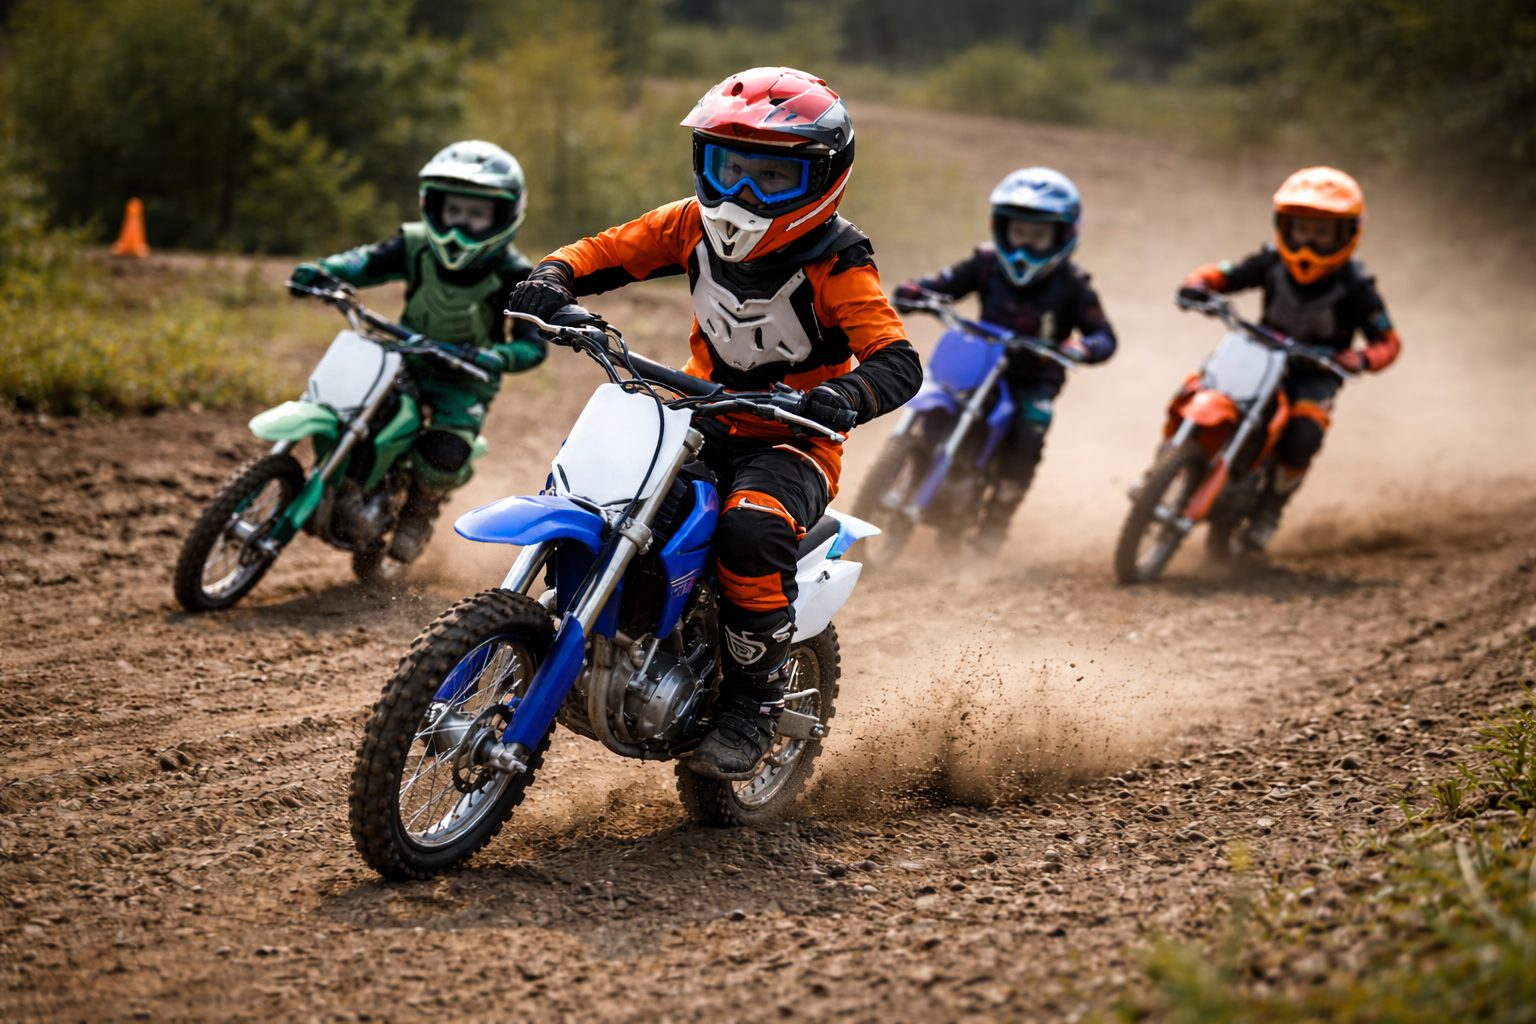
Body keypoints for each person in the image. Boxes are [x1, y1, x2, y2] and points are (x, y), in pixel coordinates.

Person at [506, 67, 921, 781]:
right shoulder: (690, 224)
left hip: (794, 441)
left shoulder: (837, 263)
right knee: (611, 497)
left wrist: (845, 398)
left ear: (823, 180)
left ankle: (753, 704)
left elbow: (898, 359)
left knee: (751, 529)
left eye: (771, 177)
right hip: (699, 415)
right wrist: (554, 276)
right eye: (729, 169)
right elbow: (606, 250)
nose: (742, 196)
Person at [288, 141, 547, 563]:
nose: (460, 227)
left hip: (464, 378)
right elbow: (365, 262)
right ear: (433, 205)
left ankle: (420, 510)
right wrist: (326, 271)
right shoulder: (414, 243)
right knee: (357, 413)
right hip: (402, 359)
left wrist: (495, 357)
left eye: (477, 215)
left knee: (443, 454)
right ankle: (351, 483)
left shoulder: (516, 273)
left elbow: (532, 343)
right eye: (454, 211)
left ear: (504, 215)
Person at [894, 167, 1117, 555]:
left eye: (1037, 236)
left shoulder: (1074, 284)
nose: (1024, 247)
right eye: (1018, 232)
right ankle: (914, 480)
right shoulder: (985, 263)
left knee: (1031, 429)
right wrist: (917, 291)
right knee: (932, 404)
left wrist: (1081, 349)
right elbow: (944, 285)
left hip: (1032, 378)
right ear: (1000, 228)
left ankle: (995, 524)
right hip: (977, 366)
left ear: (1062, 237)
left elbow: (1104, 335)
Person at [1178, 166, 1402, 551]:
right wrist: (1198, 284)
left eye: (1321, 233)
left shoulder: (1355, 285)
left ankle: (1270, 509)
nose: (1308, 244)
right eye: (1301, 230)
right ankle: (1176, 469)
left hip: (1315, 372)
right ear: (1284, 226)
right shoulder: (1271, 261)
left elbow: (1388, 340)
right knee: (1200, 388)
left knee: (1304, 434)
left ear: (1346, 235)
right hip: (1259, 355)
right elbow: (1227, 274)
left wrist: (1360, 359)